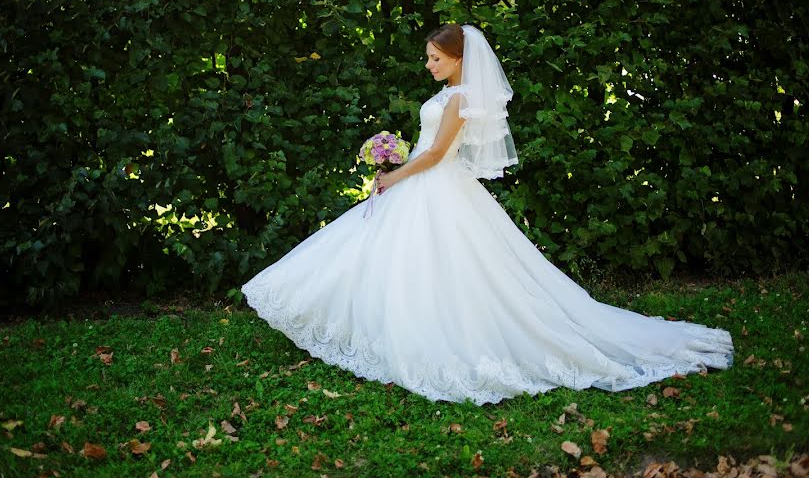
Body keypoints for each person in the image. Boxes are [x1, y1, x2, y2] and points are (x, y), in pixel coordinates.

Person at [240, 23, 734, 406]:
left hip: (436, 184)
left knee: (451, 265)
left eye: (436, 58)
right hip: (422, 182)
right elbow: (424, 147)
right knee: (385, 256)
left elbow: (436, 154)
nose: (429, 64)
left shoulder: (461, 97)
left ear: (458, 59)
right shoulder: (444, 94)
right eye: (429, 58)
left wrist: (396, 175)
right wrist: (392, 161)